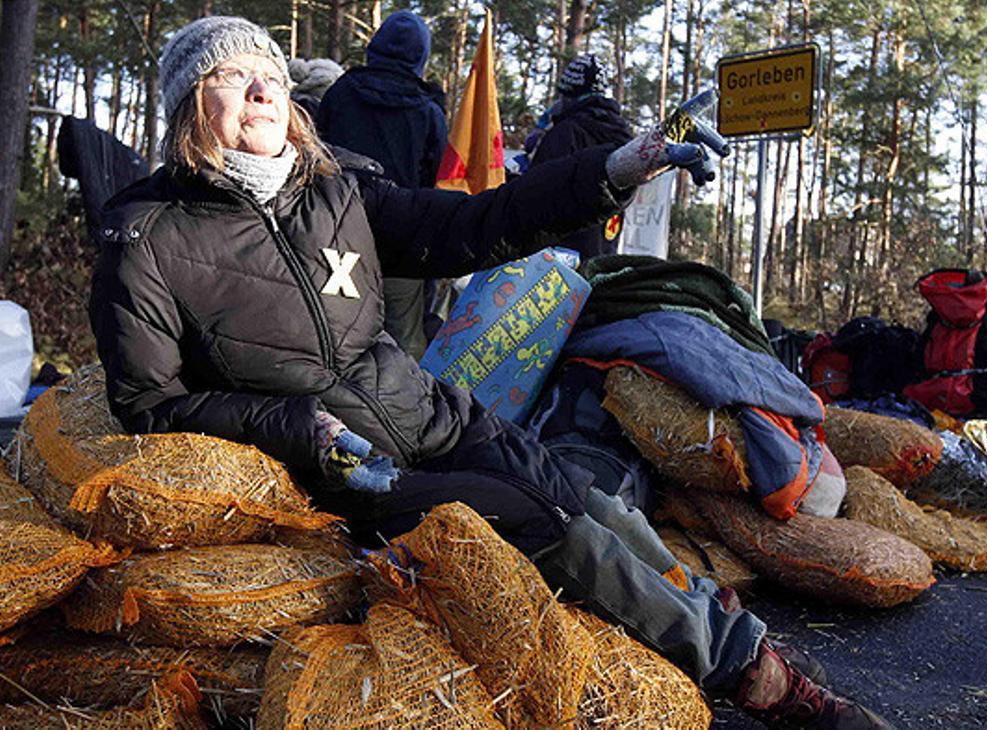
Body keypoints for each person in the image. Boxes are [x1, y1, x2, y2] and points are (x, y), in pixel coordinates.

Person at [89, 17, 889, 730]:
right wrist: (296, 426)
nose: (262, 88)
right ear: (189, 104)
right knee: (539, 517)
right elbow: (148, 402)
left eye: (269, 70)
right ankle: (762, 681)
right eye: (231, 75)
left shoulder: (335, 187)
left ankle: (731, 632)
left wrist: (618, 166)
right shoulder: (147, 236)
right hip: (348, 475)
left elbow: (479, 223)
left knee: (583, 492)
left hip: (436, 415)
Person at [317, 10, 449, 358]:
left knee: (336, 335)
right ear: (421, 55)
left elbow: (318, 156)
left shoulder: (340, 93)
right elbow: (435, 179)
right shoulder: (429, 112)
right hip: (403, 241)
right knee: (404, 343)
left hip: (339, 234)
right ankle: (403, 411)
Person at [529, 54, 634, 260]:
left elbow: (535, 193)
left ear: (568, 95)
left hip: (555, 261)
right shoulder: (623, 138)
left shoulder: (565, 133)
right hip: (603, 255)